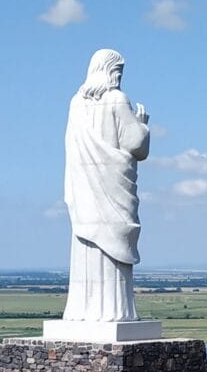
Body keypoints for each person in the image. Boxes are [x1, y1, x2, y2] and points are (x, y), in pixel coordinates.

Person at [63, 48, 151, 322]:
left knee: (88, 251)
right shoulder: (116, 99)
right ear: (110, 71)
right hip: (111, 193)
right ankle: (116, 313)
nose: (119, 78)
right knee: (110, 258)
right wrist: (143, 124)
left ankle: (82, 311)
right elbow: (136, 144)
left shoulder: (76, 103)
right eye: (118, 72)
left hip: (85, 196)